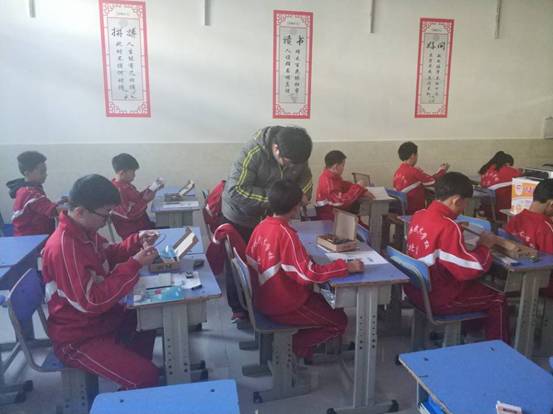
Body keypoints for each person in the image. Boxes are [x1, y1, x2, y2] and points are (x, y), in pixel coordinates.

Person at [42, 174, 160, 389]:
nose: (107, 221)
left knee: (148, 318)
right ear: (80, 211)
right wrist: (134, 264)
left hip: (102, 321)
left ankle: (132, 380)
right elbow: (91, 301)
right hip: (78, 337)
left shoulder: (86, 231)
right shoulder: (64, 247)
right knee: (145, 376)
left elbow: (109, 253)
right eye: (105, 215)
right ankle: (136, 385)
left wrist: (136, 240)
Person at [246, 180, 364, 360]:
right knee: (339, 321)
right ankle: (292, 348)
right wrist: (346, 266)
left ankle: (303, 348)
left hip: (265, 296)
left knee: (328, 305)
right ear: (295, 208)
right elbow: (309, 274)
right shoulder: (285, 234)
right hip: (284, 303)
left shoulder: (261, 226)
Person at [221, 126, 313, 320]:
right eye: (288, 162)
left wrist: (303, 194)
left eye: (296, 164)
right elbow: (235, 190)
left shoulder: (297, 152)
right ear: (276, 149)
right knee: (240, 263)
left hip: (270, 218)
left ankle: (265, 302)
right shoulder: (253, 152)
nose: (292, 167)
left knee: (267, 262)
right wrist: (277, 199)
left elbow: (306, 180)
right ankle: (239, 309)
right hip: (241, 215)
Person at [404, 172, 509, 342]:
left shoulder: (419, 215)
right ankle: (500, 351)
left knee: (476, 288)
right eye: (465, 203)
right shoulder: (447, 227)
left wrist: (456, 230)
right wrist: (485, 246)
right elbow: (470, 269)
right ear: (456, 200)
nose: (464, 208)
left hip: (416, 291)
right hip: (438, 298)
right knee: (498, 298)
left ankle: (469, 334)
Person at [505, 178, 553, 297]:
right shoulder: (546, 227)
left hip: (513, 278)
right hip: (541, 283)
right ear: (551, 203)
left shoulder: (515, 218)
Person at [6, 151, 66, 236]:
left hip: (36, 232)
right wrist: (79, 207)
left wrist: (59, 202)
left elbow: (41, 206)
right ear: (27, 173)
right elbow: (54, 211)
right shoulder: (30, 193)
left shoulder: (27, 188)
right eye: (42, 172)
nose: (46, 174)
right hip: (31, 237)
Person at [110, 153, 162, 239]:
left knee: (166, 224)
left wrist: (150, 190)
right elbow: (129, 215)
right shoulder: (116, 191)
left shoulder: (127, 185)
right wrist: (145, 201)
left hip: (144, 226)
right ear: (122, 173)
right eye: (133, 172)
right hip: (134, 234)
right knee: (167, 226)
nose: (134, 175)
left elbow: (137, 199)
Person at [393, 141, 449, 214]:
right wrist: (443, 170)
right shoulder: (413, 171)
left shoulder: (398, 171)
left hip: (402, 209)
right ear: (413, 155)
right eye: (417, 155)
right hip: (413, 210)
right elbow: (433, 181)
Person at [315, 150, 370, 220]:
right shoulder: (327, 183)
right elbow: (341, 202)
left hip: (337, 213)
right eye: (343, 165)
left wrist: (362, 190)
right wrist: (358, 187)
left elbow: (343, 185)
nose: (343, 168)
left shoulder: (331, 176)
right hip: (330, 218)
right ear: (336, 166)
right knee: (361, 224)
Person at [479, 151, 521, 221]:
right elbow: (520, 175)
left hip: (486, 204)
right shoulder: (506, 170)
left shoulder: (486, 168)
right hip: (499, 206)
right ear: (507, 163)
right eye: (510, 165)